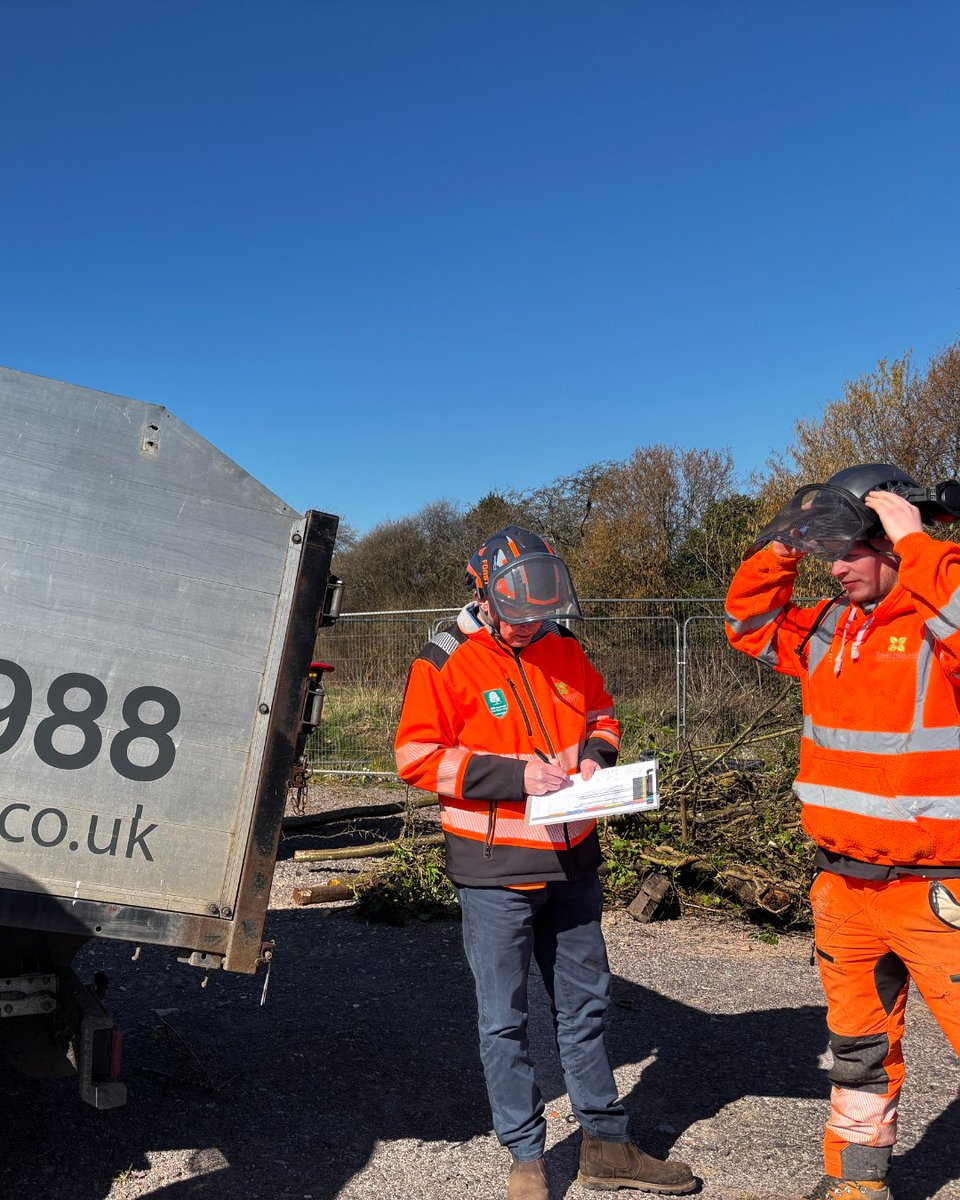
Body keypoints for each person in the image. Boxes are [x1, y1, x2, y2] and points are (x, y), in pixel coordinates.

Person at [395, 526, 696, 1200]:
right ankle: (526, 1159)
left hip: (572, 862)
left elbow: (604, 715)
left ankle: (606, 1147)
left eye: (541, 614)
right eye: (520, 615)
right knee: (503, 1016)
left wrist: (596, 755)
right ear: (486, 591)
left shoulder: (564, 646)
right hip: (494, 866)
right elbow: (414, 756)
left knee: (585, 1009)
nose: (532, 626)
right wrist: (511, 777)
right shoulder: (444, 658)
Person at [725, 464, 960, 1200]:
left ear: (891, 544)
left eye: (849, 550)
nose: (836, 567)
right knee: (857, 1050)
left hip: (937, 893)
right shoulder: (831, 627)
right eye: (828, 552)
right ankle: (857, 1184)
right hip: (845, 887)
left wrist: (917, 539)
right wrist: (785, 544)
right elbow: (747, 622)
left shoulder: (935, 627)